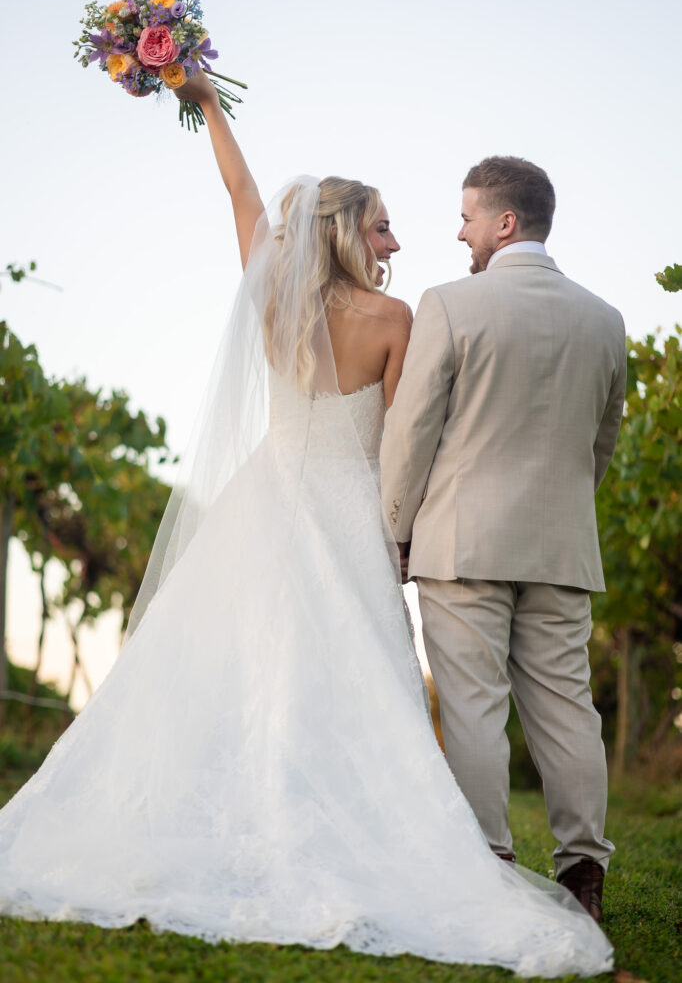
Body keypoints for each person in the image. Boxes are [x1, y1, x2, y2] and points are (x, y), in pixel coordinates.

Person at [0, 86, 614, 976]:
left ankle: (281, 818)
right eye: (384, 227)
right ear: (349, 232)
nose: (397, 243)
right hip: (352, 516)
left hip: (263, 507)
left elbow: (240, 191)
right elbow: (410, 444)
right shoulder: (397, 320)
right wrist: (407, 535)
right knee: (360, 680)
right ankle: (521, 857)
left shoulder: (271, 299)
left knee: (249, 669)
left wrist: (202, 99)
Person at [380, 156, 626, 925]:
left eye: (467, 217)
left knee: (474, 706)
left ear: (505, 222)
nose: (461, 232)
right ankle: (583, 873)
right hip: (560, 545)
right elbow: (601, 444)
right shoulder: (605, 319)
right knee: (567, 709)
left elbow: (413, 430)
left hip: (462, 542)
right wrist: (560, 516)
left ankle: (487, 862)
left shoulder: (450, 305)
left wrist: (394, 530)